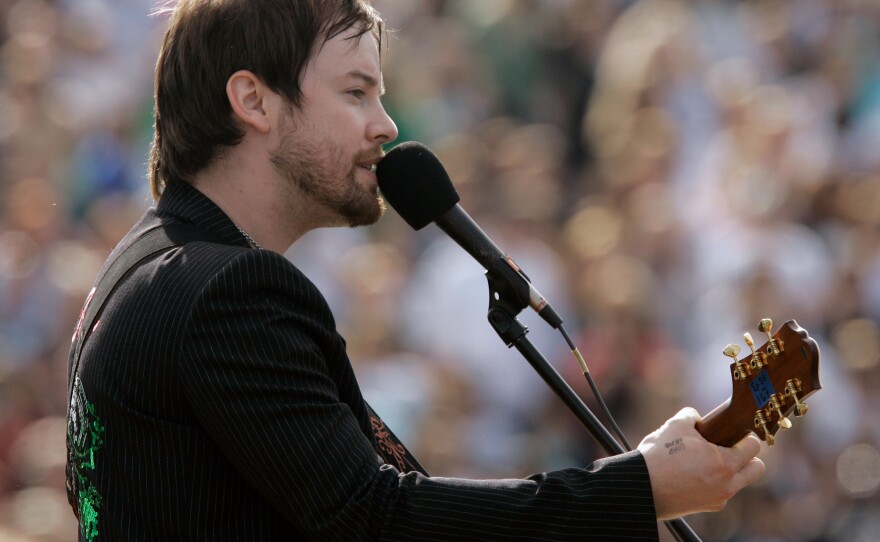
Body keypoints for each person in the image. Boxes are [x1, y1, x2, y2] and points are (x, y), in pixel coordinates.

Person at [64, 1, 765, 540]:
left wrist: (634, 480)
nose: (387, 125)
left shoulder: (142, 265)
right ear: (254, 101)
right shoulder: (228, 292)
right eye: (356, 93)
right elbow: (379, 522)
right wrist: (635, 492)